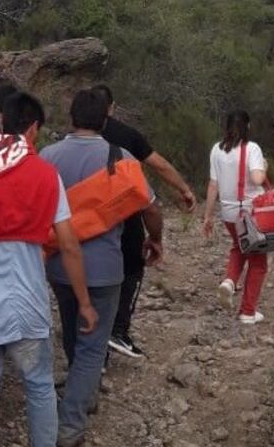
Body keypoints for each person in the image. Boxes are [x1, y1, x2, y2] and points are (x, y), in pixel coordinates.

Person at [0, 92, 98, 447]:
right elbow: (69, 245)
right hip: (25, 303)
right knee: (39, 387)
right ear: (33, 128)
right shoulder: (42, 172)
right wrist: (84, 302)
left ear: (1, 123)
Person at [40, 89, 161, 447]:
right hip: (106, 267)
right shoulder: (120, 157)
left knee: (75, 332)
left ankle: (85, 393)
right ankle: (70, 426)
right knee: (94, 346)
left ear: (72, 118)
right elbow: (151, 208)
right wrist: (156, 239)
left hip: (60, 265)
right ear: (104, 120)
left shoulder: (47, 156)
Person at [91, 84, 190, 358]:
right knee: (132, 268)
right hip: (125, 216)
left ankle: (94, 350)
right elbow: (160, 164)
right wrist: (184, 189)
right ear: (112, 107)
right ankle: (117, 330)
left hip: (82, 219)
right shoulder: (127, 135)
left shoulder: (75, 137)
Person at [202, 110, 269, 324]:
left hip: (229, 214)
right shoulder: (252, 149)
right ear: (248, 126)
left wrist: (208, 216)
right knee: (258, 262)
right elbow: (258, 178)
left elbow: (213, 185)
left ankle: (230, 282)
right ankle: (248, 312)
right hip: (251, 213)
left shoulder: (216, 150)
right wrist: (265, 167)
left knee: (238, 246)